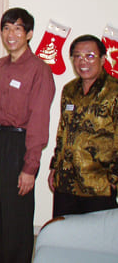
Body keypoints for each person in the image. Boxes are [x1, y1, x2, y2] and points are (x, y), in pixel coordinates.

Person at [0, 7, 55, 263]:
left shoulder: (39, 69)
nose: (10, 34)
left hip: (19, 145)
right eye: (6, 28)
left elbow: (39, 120)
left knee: (16, 216)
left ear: (29, 33)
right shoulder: (0, 66)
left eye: (17, 28)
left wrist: (30, 167)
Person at [48, 35, 118, 217]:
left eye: (90, 56)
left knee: (96, 234)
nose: (83, 61)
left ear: (103, 59)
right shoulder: (69, 90)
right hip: (66, 182)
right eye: (77, 56)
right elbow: (62, 131)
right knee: (64, 231)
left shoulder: (114, 91)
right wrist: (55, 167)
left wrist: (114, 179)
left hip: (98, 185)